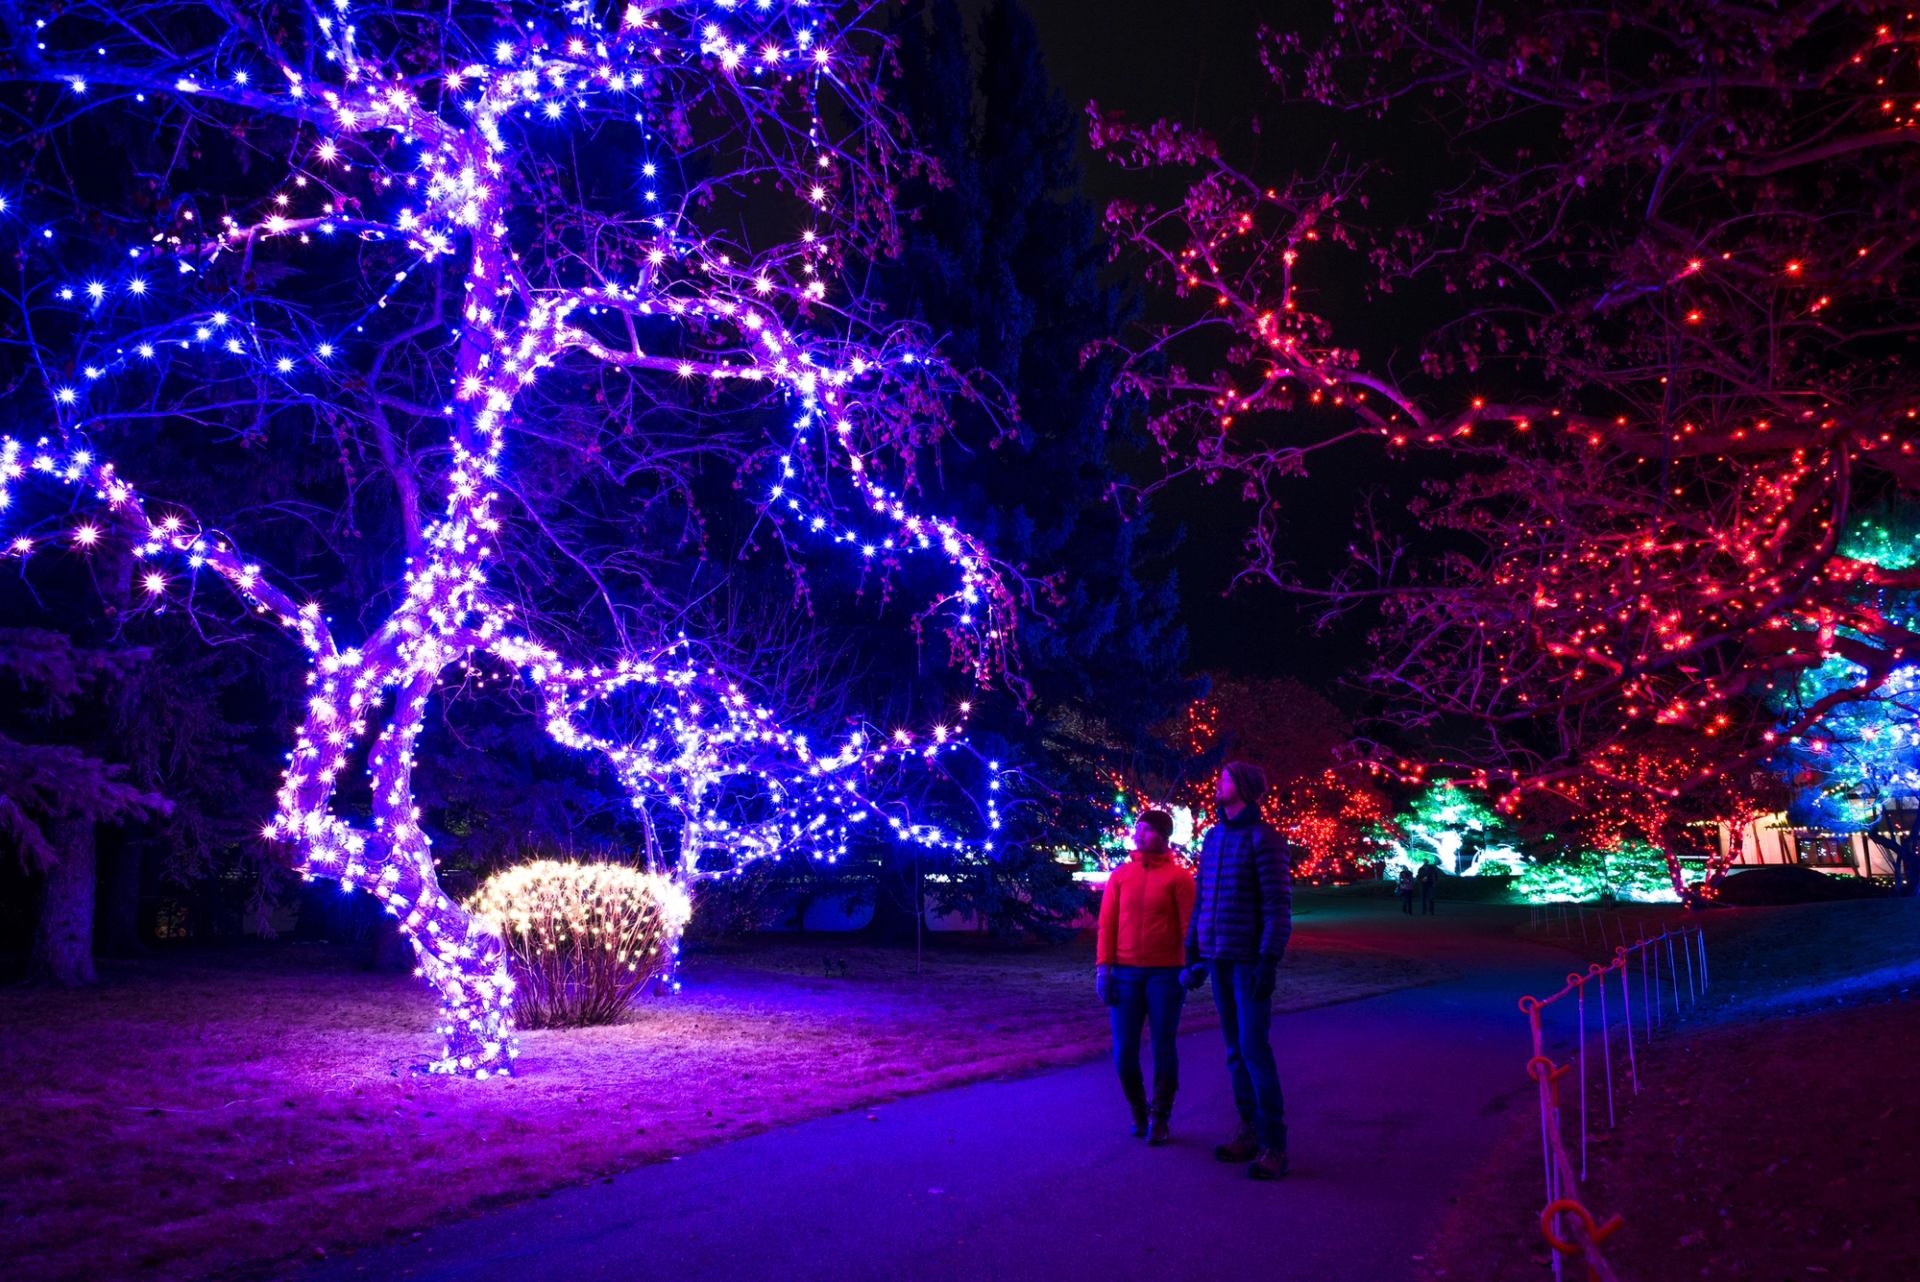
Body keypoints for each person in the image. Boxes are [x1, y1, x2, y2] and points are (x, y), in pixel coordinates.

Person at [1181, 761, 1292, 1180]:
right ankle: (1247, 1129)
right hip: (1216, 957)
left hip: (1248, 962)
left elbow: (1277, 906)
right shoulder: (1212, 838)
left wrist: (1268, 960)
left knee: (1254, 1049)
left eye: (1225, 778)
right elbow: (1202, 899)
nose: (1217, 782)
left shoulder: (1265, 839)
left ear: (1243, 786)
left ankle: (1274, 1145)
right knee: (1233, 1052)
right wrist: (1192, 949)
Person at [1096, 809, 1196, 1145]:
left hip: (1165, 975)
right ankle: (1139, 1110)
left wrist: (1188, 966)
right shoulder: (1121, 876)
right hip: (1124, 974)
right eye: (1138, 828)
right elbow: (1107, 924)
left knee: (1162, 1046)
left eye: (1148, 829)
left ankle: (1161, 1116)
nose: (1140, 834)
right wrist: (1103, 969)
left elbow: (1188, 928)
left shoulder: (1179, 878)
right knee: (1124, 1051)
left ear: (1164, 836)